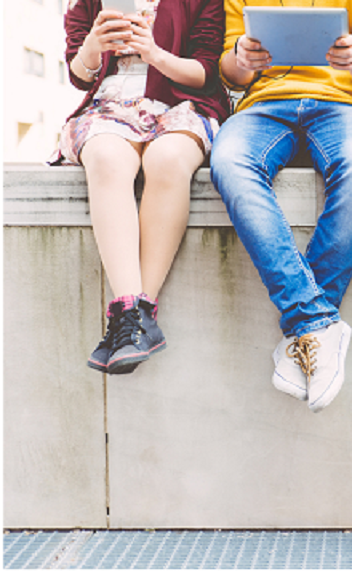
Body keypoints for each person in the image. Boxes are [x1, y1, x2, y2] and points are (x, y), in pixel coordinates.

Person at [210, 0, 352, 412]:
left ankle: (304, 330)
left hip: (346, 105)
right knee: (230, 161)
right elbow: (231, 75)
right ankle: (317, 323)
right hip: (264, 105)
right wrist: (241, 57)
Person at [56, 0, 229, 375]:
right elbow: (79, 75)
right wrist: (93, 45)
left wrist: (154, 54)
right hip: (109, 107)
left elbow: (207, 72)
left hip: (181, 104)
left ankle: (134, 317)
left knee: (168, 159)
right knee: (106, 159)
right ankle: (132, 315)